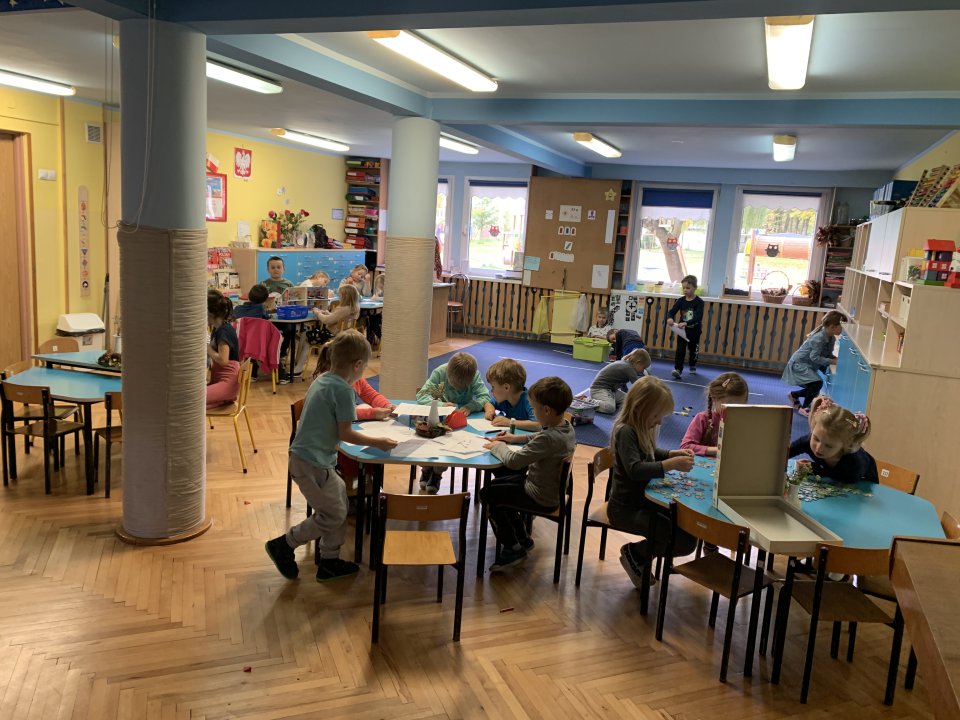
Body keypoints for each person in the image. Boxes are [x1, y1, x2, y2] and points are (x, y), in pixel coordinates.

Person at [265, 330, 398, 582]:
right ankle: (285, 544)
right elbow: (345, 433)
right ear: (357, 365)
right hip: (311, 463)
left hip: (314, 460)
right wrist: (379, 442)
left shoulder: (324, 378)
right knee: (333, 514)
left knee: (339, 506)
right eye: (364, 367)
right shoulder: (343, 390)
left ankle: (329, 561)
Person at [607, 376, 697, 589]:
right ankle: (636, 553)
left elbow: (649, 452)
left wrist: (670, 453)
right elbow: (635, 470)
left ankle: (639, 554)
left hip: (643, 501)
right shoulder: (626, 431)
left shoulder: (638, 428)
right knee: (682, 541)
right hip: (625, 509)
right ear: (640, 407)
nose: (659, 422)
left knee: (687, 534)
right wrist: (671, 464)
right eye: (656, 415)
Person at [479, 376, 577, 570]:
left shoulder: (549, 438)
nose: (532, 411)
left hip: (540, 496)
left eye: (533, 408)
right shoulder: (565, 426)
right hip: (545, 488)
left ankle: (512, 548)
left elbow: (514, 461)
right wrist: (514, 438)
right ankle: (522, 536)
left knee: (487, 494)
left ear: (546, 410)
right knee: (496, 486)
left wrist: (498, 446)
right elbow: (540, 436)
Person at [311, 339, 396, 484]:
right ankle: (355, 487)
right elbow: (341, 422)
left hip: (312, 455)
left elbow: (371, 395)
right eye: (365, 366)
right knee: (360, 452)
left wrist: (387, 405)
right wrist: (372, 414)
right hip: (322, 453)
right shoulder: (340, 388)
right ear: (357, 365)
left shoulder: (332, 379)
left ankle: (366, 487)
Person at [415, 352, 495, 493]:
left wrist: (471, 406)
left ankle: (437, 473)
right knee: (427, 442)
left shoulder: (474, 375)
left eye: (462, 386)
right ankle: (426, 468)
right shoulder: (440, 373)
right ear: (448, 374)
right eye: (454, 384)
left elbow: (484, 396)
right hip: (438, 421)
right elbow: (422, 395)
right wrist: (441, 405)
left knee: (452, 447)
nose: (458, 388)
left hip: (461, 425)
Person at [789, 395, 877, 484]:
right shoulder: (808, 441)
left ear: (845, 445)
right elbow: (785, 453)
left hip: (863, 479)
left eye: (828, 446)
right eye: (816, 439)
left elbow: (846, 479)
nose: (819, 448)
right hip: (835, 473)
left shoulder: (854, 463)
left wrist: (813, 468)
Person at [782, 310, 846, 415]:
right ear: (832, 327)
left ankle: (793, 395)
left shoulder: (831, 338)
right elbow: (814, 358)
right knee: (817, 384)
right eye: (842, 327)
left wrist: (836, 359)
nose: (843, 330)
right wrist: (832, 361)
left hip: (807, 365)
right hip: (799, 365)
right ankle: (804, 407)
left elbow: (826, 354)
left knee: (815, 388)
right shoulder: (819, 338)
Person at [680, 372, 750, 457]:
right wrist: (718, 450)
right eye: (728, 405)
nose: (734, 410)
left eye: (739, 406)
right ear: (714, 398)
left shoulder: (743, 423)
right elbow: (685, 447)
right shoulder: (702, 418)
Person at [588, 348, 651, 414]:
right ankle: (587, 401)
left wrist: (628, 396)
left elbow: (623, 385)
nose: (642, 371)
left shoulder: (627, 365)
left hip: (611, 391)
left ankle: (609, 401)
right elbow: (638, 385)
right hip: (599, 389)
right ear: (638, 363)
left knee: (630, 401)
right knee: (610, 408)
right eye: (643, 368)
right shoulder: (628, 368)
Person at [206, 290, 241, 409]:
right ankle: (220, 401)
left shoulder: (224, 331)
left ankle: (222, 399)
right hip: (221, 380)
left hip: (228, 383)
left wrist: (207, 348)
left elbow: (223, 360)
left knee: (193, 399)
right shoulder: (218, 328)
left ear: (211, 313)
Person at [486, 358, 540, 432]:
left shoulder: (530, 400)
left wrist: (509, 422)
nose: (491, 390)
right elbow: (488, 404)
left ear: (506, 387)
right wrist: (490, 411)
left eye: (493, 387)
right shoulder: (504, 398)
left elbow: (538, 425)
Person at [667, 274, 705, 379]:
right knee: (680, 349)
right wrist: (670, 318)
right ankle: (678, 369)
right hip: (682, 331)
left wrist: (686, 323)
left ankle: (692, 364)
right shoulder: (681, 300)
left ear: (695, 288)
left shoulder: (699, 302)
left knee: (693, 350)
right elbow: (671, 312)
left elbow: (698, 317)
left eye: (688, 288)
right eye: (683, 288)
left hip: (694, 331)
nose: (685, 290)